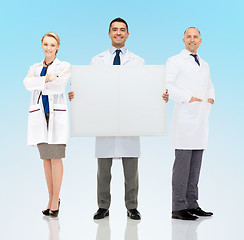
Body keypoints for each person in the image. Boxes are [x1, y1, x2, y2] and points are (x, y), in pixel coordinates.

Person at [69, 18, 168, 220]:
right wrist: (75, 94)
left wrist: (160, 96)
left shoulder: (138, 61)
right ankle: (103, 206)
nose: (118, 33)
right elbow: (88, 86)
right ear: (109, 34)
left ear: (128, 34)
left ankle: (132, 207)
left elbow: (146, 88)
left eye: (122, 30)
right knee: (103, 170)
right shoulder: (97, 60)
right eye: (115, 30)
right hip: (104, 120)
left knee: (131, 170)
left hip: (130, 120)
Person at [166, 27, 215, 220]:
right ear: (183, 40)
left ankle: (192, 204)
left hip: (201, 120)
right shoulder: (175, 61)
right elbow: (168, 85)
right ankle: (178, 207)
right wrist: (189, 98)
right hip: (185, 120)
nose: (192, 40)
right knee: (183, 165)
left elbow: (209, 85)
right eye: (189, 37)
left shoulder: (204, 64)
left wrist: (211, 98)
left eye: (195, 37)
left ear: (200, 40)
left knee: (195, 166)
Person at [24, 32, 71, 218]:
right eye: (46, 44)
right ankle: (51, 198)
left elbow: (59, 87)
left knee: (56, 158)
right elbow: (27, 83)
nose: (49, 48)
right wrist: (47, 79)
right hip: (39, 117)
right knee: (45, 159)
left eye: (52, 45)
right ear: (41, 45)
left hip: (56, 117)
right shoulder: (35, 67)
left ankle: (56, 199)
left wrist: (39, 83)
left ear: (58, 47)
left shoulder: (64, 66)